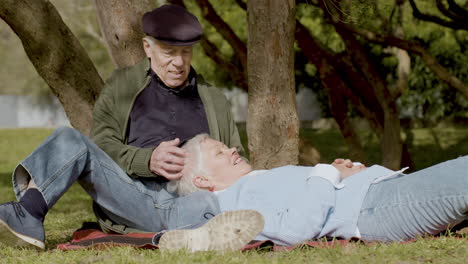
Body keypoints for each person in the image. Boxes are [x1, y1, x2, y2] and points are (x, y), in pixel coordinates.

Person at [0, 4, 253, 251]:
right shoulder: (122, 86)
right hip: (133, 197)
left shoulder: (213, 99)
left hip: (195, 201)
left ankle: (194, 232)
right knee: (68, 139)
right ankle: (27, 215)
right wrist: (147, 160)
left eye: (185, 52)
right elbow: (101, 147)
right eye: (169, 52)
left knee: (205, 202)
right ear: (147, 47)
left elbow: (235, 157)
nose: (178, 62)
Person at [168, 134, 468, 246]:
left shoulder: (252, 183)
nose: (233, 149)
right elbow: (294, 229)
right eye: (220, 153)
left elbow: (315, 191)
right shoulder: (237, 203)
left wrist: (346, 173)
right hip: (375, 207)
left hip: (382, 195)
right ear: (203, 181)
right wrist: (328, 172)